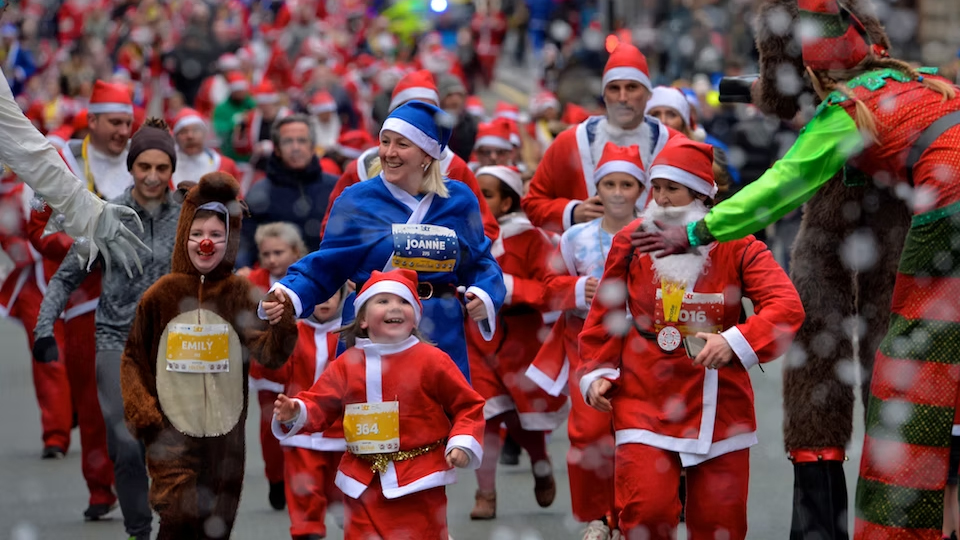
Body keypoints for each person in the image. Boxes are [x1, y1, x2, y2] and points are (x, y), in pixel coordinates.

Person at [632, 1, 960, 536]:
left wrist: (696, 230)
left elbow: (782, 184)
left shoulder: (850, 108)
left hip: (949, 207)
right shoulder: (922, 80)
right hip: (935, 200)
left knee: (910, 376)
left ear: (813, 72)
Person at [580, 137, 804, 540]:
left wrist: (735, 341)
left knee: (721, 523)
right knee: (645, 513)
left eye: (674, 188)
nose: (662, 199)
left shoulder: (738, 243)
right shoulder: (633, 239)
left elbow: (786, 308)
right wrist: (597, 370)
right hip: (644, 395)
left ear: (701, 194)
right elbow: (605, 313)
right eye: (657, 187)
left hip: (721, 404)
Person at [261, 100, 505, 382]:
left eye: (402, 144)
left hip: (438, 325)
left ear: (427, 154)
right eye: (385, 141)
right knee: (371, 416)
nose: (389, 153)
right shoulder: (356, 200)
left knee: (437, 418)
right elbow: (327, 265)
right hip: (370, 324)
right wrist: (289, 294)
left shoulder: (458, 200)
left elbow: (480, 261)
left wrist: (484, 294)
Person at [120, 172, 297, 540]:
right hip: (170, 434)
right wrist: (145, 415)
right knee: (179, 518)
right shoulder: (161, 294)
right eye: (197, 233)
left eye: (217, 235)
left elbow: (270, 354)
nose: (206, 243)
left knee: (214, 528)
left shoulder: (240, 293)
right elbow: (133, 359)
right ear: (184, 235)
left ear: (230, 239)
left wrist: (282, 324)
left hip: (224, 440)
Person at [32, 118, 184, 539]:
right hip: (116, 340)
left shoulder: (189, 218)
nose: (152, 177)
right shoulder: (104, 216)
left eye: (161, 168)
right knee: (127, 442)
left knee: (176, 446)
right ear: (131, 168)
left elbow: (220, 271)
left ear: (171, 170)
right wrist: (43, 330)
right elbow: (65, 277)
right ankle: (139, 530)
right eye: (144, 168)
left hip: (175, 345)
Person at [271, 269, 485, 539]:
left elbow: (468, 405)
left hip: (419, 481)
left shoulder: (432, 360)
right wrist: (296, 411)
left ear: (416, 317)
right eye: (382, 301)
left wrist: (462, 442)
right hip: (362, 481)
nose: (394, 307)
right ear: (362, 320)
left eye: (404, 301)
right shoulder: (347, 364)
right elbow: (320, 404)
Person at [528, 143, 648, 539]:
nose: (617, 192)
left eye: (626, 184)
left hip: (639, 346)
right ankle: (598, 516)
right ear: (596, 187)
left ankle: (630, 515)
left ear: (640, 189)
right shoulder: (575, 237)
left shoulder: (653, 233)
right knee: (589, 433)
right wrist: (579, 288)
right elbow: (547, 286)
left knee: (635, 432)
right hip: (585, 344)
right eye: (609, 183)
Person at [467, 165, 567, 520]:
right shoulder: (463, 236)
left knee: (523, 416)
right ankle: (486, 493)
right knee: (484, 414)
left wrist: (506, 287)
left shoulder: (529, 238)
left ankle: (540, 462)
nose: (479, 201)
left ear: (507, 202)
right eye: (475, 193)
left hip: (521, 339)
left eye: (488, 195)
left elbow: (552, 288)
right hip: (477, 340)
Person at [321, 69, 499, 241]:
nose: (416, 119)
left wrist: (447, 253)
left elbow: (484, 231)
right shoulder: (362, 168)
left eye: (427, 111)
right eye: (409, 109)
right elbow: (333, 233)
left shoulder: (455, 167)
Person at [522, 43, 678, 233]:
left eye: (631, 87)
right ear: (604, 94)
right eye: (614, 88)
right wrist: (572, 213)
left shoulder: (673, 145)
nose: (622, 97)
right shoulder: (570, 142)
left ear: (648, 94)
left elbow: (701, 208)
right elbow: (532, 203)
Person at [274, 285, 348, 540]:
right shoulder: (294, 331)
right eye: (318, 296)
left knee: (342, 490)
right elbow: (277, 372)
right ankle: (308, 532)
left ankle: (349, 520)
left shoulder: (351, 333)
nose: (325, 301)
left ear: (342, 295)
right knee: (305, 489)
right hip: (301, 427)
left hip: (341, 431)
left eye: (331, 294)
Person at [246, 222, 310, 511]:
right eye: (266, 253)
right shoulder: (254, 280)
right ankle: (275, 478)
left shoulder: (309, 276)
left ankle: (304, 478)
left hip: (305, 366)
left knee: (304, 426)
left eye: (279, 252)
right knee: (269, 430)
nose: (272, 259)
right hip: (269, 371)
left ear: (296, 252)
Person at [238, 114, 338, 268]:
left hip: (330, 278)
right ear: (277, 150)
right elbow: (245, 248)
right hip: (278, 283)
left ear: (313, 148)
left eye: (302, 140)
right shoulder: (259, 193)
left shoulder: (335, 188)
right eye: (288, 141)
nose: (295, 147)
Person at [171, 107, 241, 188]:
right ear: (176, 137)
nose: (190, 136)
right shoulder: (165, 168)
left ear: (205, 134)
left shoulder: (225, 165)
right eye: (183, 131)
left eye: (195, 130)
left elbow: (237, 198)